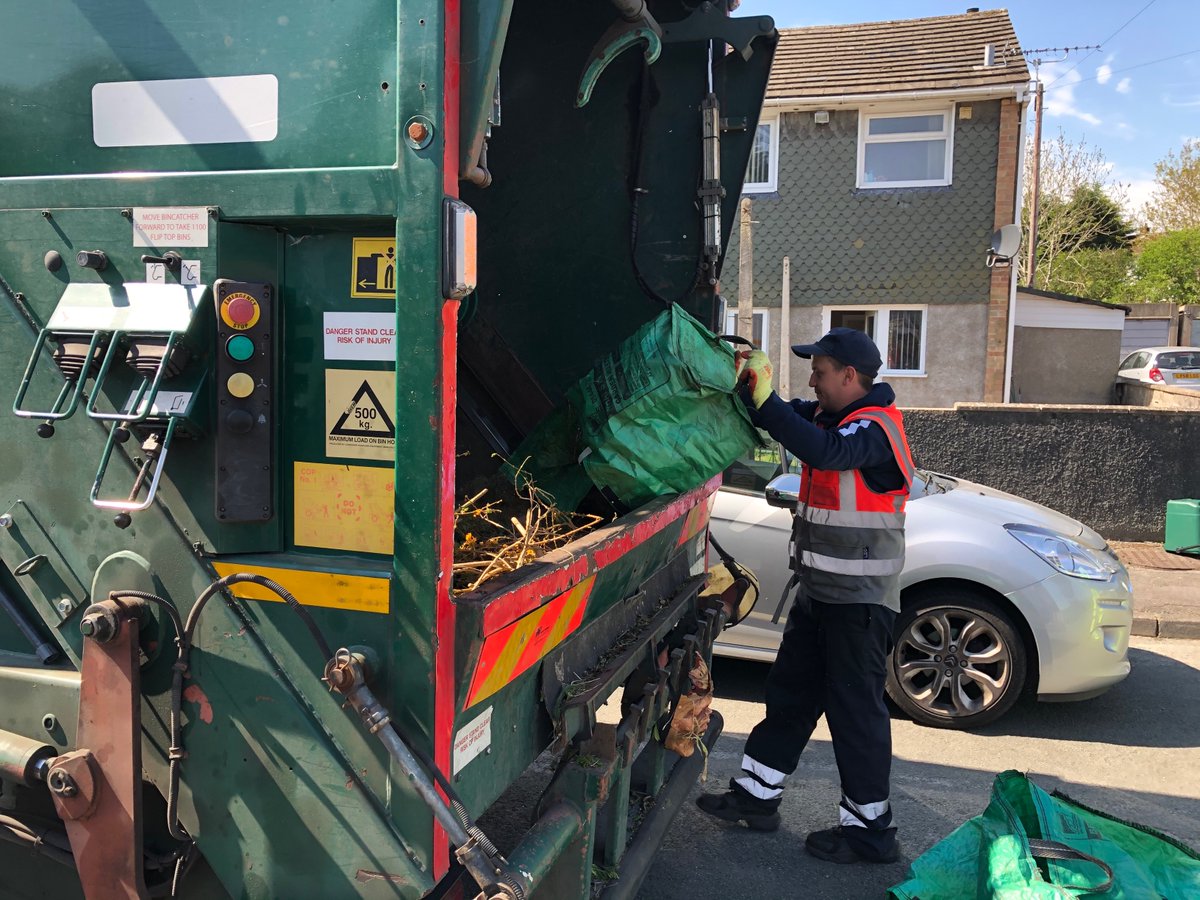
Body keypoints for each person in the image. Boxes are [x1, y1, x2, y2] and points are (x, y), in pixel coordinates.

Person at [697, 326, 915, 865]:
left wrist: (768, 402)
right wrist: (742, 380)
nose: (812, 382)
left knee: (855, 715)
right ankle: (756, 798)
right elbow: (784, 418)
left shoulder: (875, 431)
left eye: (819, 372)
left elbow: (825, 450)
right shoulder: (832, 416)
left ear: (850, 376)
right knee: (790, 695)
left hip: (860, 604)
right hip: (821, 594)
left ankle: (870, 832)